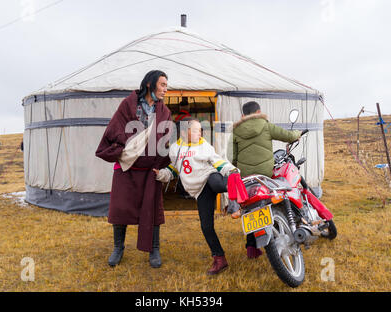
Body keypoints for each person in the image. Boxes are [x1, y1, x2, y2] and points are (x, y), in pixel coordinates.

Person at [95, 70, 172, 268]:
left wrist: (162, 165)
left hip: (149, 170)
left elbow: (165, 139)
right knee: (121, 209)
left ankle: (154, 249)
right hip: (127, 166)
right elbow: (115, 129)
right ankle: (118, 248)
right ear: (150, 84)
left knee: (153, 209)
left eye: (166, 85)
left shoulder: (164, 111)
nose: (165, 89)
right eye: (162, 84)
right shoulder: (129, 105)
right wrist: (130, 145)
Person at [153, 117, 239, 275]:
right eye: (196, 130)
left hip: (210, 178)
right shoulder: (174, 149)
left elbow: (217, 161)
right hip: (199, 190)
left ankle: (240, 196)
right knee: (206, 226)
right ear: (185, 131)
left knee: (218, 183)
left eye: (200, 130)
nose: (200, 133)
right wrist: (161, 175)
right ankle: (220, 259)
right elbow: (174, 169)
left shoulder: (203, 145)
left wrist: (231, 170)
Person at [232, 101, 301, 259]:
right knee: (274, 199)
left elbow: (232, 157)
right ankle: (283, 228)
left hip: (246, 178)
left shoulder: (236, 131)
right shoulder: (266, 125)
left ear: (243, 116)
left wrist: (242, 166)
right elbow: (288, 136)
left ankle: (251, 248)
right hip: (265, 174)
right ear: (259, 111)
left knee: (250, 209)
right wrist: (296, 134)